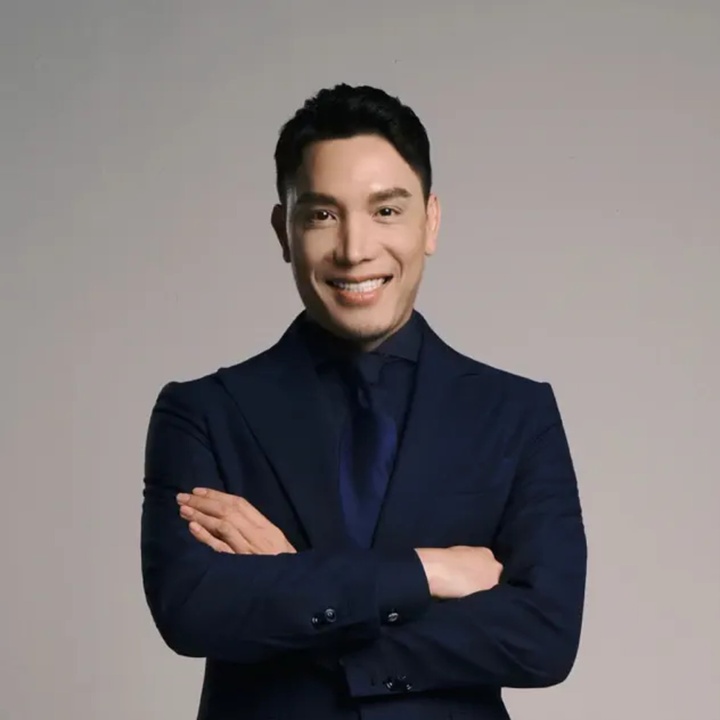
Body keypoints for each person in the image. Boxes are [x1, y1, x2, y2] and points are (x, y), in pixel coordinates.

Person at [141, 83, 587, 720]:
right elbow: (192, 609)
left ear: (430, 222)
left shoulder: (516, 413)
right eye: (322, 215)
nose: (354, 250)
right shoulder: (204, 413)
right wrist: (424, 573)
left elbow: (545, 638)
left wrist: (297, 580)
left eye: (386, 211)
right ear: (284, 231)